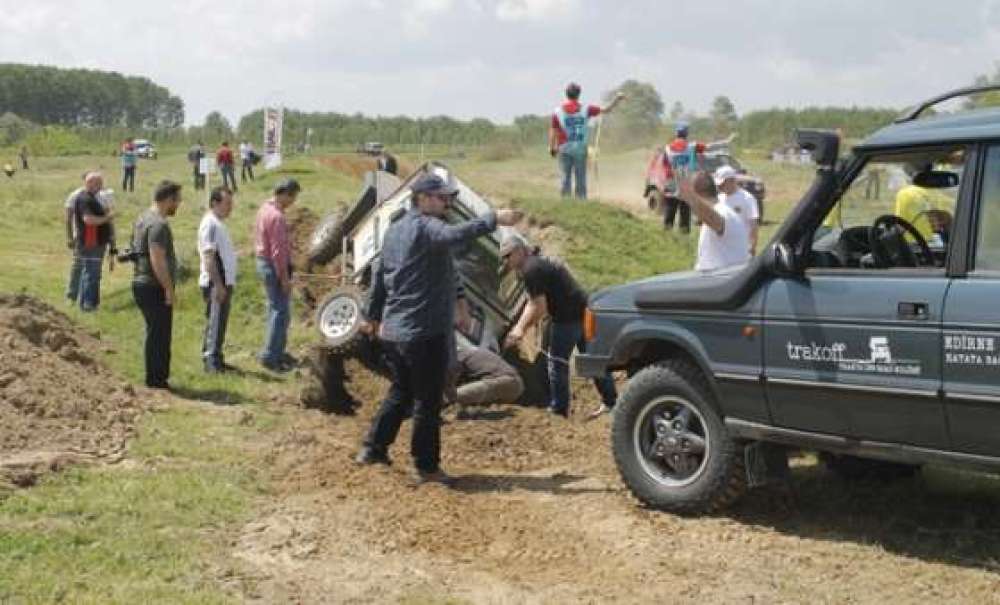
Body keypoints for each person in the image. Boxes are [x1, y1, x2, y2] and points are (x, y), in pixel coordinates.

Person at [354, 174, 522, 485]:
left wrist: (372, 315)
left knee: (401, 391)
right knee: (427, 401)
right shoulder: (427, 227)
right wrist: (493, 219)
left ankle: (372, 448)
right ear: (423, 198)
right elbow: (455, 235)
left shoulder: (394, 232)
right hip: (422, 330)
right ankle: (426, 466)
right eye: (442, 198)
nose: (447, 203)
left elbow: (380, 277)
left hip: (395, 331)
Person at [501, 233, 618, 419]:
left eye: (508, 256)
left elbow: (537, 306)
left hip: (567, 318)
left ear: (519, 251)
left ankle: (559, 410)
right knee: (591, 359)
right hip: (584, 310)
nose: (507, 261)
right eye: (503, 258)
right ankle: (612, 402)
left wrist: (519, 329)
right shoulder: (538, 261)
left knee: (556, 362)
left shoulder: (531, 269)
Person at [131, 180, 182, 389]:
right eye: (177, 200)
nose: (179, 204)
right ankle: (156, 380)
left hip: (142, 282)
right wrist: (168, 289)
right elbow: (157, 259)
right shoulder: (159, 225)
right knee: (159, 335)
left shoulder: (143, 218)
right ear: (168, 199)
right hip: (153, 285)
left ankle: (155, 377)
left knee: (155, 332)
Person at [548, 82, 625, 199]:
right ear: (578, 95)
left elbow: (553, 131)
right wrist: (617, 99)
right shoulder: (586, 109)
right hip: (580, 148)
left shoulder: (557, 112)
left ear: (566, 94)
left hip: (564, 148)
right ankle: (581, 201)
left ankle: (566, 202)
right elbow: (606, 110)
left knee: (565, 177)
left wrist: (552, 147)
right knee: (580, 178)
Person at [255, 178, 300, 372]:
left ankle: (277, 350)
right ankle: (270, 357)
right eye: (293, 197)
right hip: (274, 266)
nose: (293, 202)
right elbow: (278, 252)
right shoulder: (277, 217)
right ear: (284, 194)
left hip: (263, 262)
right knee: (280, 311)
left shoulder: (264, 208)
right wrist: (284, 278)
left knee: (276, 309)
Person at [675, 172, 751, 272]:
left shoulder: (723, 212)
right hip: (717, 280)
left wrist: (689, 196)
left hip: (720, 281)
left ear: (699, 194)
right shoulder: (725, 211)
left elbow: (715, 220)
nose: (691, 209)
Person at [198, 186, 238, 373]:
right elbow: (209, 256)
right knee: (215, 321)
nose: (231, 207)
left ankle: (217, 357)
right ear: (214, 203)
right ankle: (210, 361)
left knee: (220, 321)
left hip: (223, 282)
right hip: (216, 282)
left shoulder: (218, 223)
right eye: (227, 203)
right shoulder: (211, 224)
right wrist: (219, 285)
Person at [70, 172, 114, 311]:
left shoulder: (92, 198)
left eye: (101, 183)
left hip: (95, 242)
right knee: (91, 273)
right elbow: (88, 220)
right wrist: (107, 218)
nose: (101, 186)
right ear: (89, 183)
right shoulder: (85, 199)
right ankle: (88, 304)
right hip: (91, 242)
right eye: (98, 183)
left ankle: (89, 303)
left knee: (92, 272)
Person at [447, 343, 524, 415]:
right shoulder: (473, 351)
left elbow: (451, 379)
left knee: (451, 396)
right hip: (516, 385)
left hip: (503, 380)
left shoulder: (460, 354)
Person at [662, 123, 706, 233]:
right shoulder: (692, 146)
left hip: (672, 181)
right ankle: (684, 234)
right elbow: (705, 148)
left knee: (670, 208)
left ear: (676, 134)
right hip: (686, 182)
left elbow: (664, 164)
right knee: (685, 210)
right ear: (686, 134)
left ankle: (667, 232)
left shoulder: (667, 148)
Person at [714, 165, 760, 256]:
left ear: (732, 180)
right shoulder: (719, 198)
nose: (720, 187)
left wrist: (752, 246)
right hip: (723, 249)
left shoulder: (747, 199)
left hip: (741, 248)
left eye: (723, 183)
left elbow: (754, 225)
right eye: (719, 185)